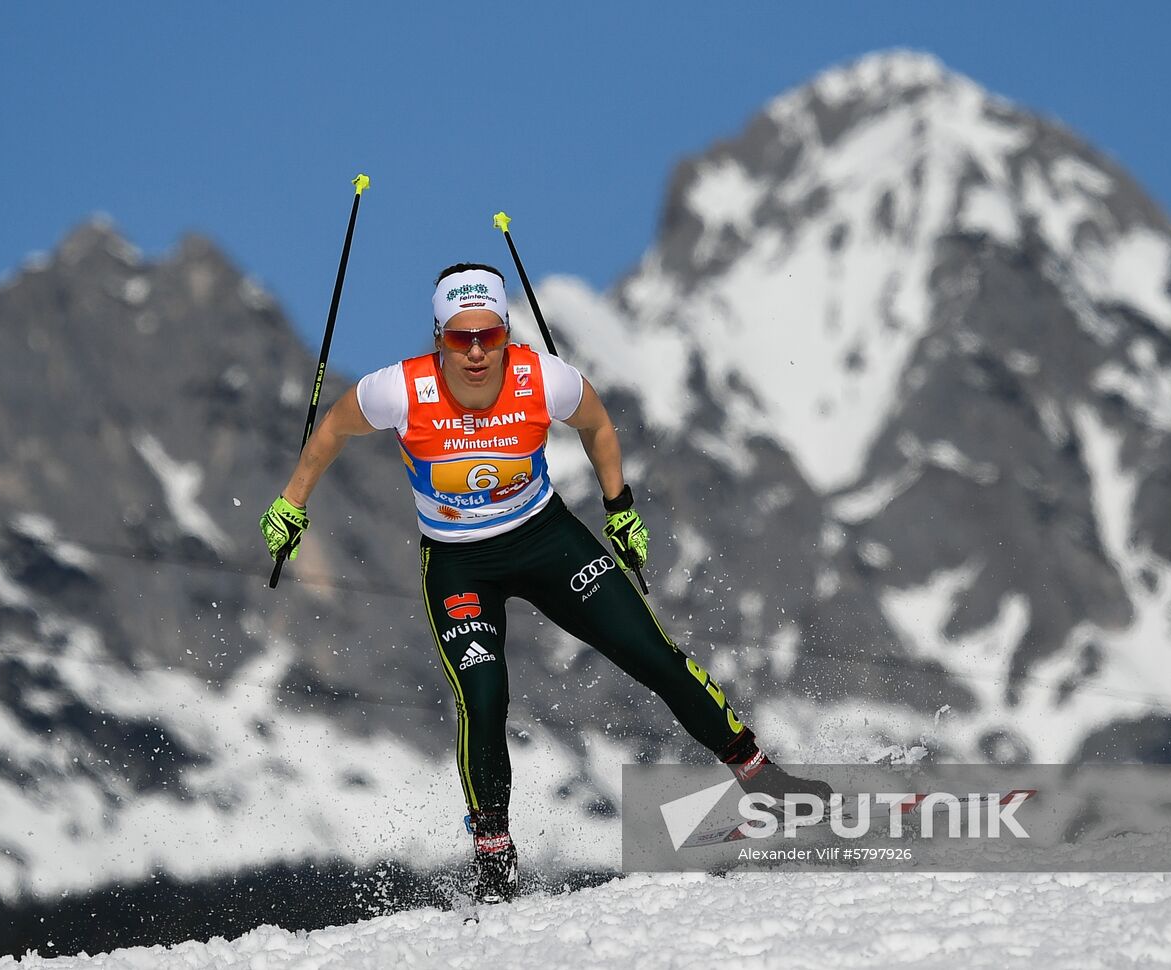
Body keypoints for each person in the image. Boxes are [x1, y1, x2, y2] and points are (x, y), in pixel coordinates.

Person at [261, 263, 823, 903]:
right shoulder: (400, 391)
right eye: (459, 338)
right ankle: (495, 857)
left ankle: (761, 778)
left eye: (490, 337)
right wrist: (292, 504)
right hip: (458, 563)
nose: (476, 353)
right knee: (486, 697)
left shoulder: (540, 377)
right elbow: (331, 428)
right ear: (437, 338)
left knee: (653, 656)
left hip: (545, 538)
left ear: (507, 333)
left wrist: (620, 508)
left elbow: (598, 425)